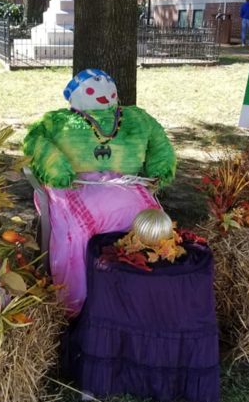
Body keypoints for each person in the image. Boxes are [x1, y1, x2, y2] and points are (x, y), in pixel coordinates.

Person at [23, 69, 177, 316]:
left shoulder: (136, 118)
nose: (101, 90)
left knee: (151, 224)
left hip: (127, 185)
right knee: (78, 232)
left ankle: (143, 294)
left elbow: (159, 143)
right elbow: (35, 141)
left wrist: (160, 169)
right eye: (92, 88)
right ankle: (83, 302)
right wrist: (56, 168)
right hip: (74, 185)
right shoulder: (57, 122)